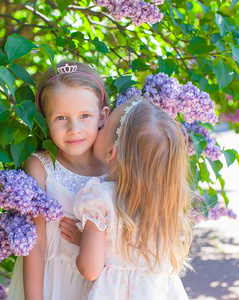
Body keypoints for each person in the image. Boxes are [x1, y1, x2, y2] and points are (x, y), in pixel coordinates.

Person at [64, 99, 192, 299]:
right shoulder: (164, 204)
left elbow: (90, 269)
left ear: (111, 152)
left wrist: (84, 241)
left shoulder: (100, 199)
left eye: (103, 126)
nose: (98, 126)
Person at [7, 61, 110, 300]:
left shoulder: (114, 167)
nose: (74, 128)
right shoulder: (41, 167)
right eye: (61, 117)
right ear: (45, 120)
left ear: (102, 116)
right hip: (52, 283)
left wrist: (86, 240)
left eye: (85, 115)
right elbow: (36, 244)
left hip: (104, 285)